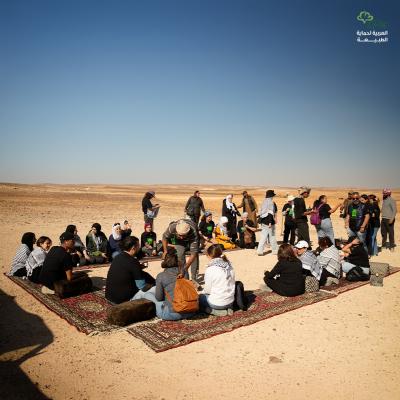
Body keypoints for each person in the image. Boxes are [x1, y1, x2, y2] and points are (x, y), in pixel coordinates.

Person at [105, 236, 155, 304]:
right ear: (133, 248)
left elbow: (125, 269)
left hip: (109, 296)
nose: (139, 247)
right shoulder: (133, 261)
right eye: (138, 246)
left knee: (144, 274)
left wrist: (138, 268)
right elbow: (142, 286)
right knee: (152, 290)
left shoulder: (117, 257)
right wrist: (153, 286)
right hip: (122, 300)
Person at [153, 248, 197, 320]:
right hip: (190, 310)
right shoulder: (184, 272)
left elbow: (159, 298)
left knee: (149, 296)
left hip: (173, 314)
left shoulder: (161, 276)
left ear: (165, 261)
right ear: (177, 261)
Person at [199, 244, 235, 316]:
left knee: (199, 298)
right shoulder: (229, 265)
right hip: (231, 301)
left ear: (209, 255)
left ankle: (214, 311)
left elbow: (208, 290)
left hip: (217, 304)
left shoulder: (210, 269)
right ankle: (229, 308)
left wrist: (201, 293)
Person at [162, 219, 200, 285]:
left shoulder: (193, 232)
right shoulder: (172, 227)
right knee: (180, 255)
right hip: (179, 241)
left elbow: (193, 254)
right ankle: (185, 279)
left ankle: (194, 279)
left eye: (183, 235)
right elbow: (164, 237)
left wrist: (185, 268)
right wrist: (165, 251)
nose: (182, 237)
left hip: (192, 237)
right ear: (176, 231)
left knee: (195, 257)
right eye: (180, 235)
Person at [257, 190, 278, 256]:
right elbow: (270, 213)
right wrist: (270, 222)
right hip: (269, 222)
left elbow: (262, 213)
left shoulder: (264, 202)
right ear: (271, 196)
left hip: (263, 222)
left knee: (263, 237)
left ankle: (260, 251)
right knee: (272, 236)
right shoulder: (271, 203)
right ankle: (275, 251)